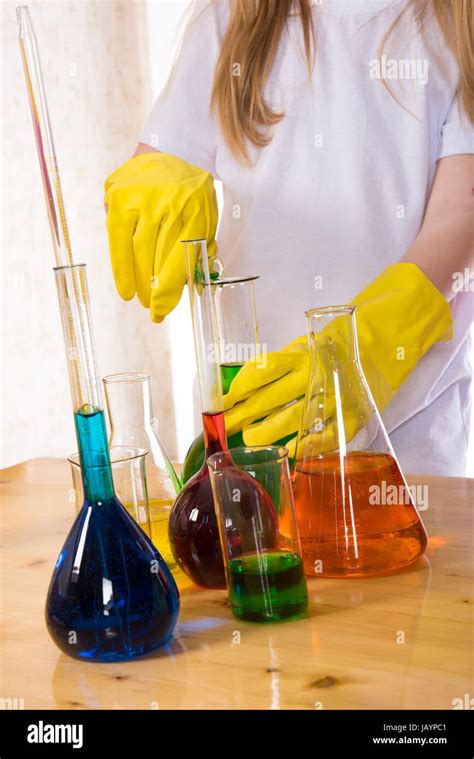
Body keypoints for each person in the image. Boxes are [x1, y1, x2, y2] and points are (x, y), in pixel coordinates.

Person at [104, 0, 474, 475]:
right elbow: (164, 156)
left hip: (408, 435)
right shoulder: (234, 14)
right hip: (247, 419)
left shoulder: (456, 22)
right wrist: (156, 174)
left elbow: (461, 213)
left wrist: (373, 344)